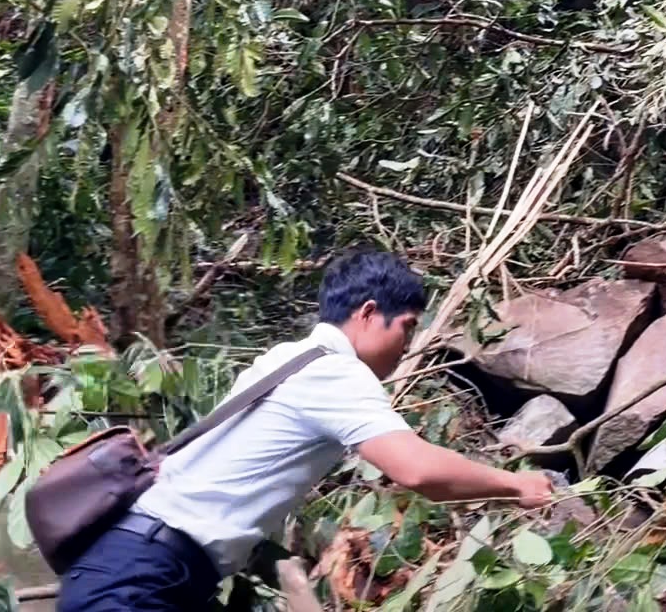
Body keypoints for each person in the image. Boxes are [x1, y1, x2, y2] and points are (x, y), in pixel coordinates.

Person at [57, 248, 553, 611]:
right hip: (141, 579)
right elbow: (418, 471)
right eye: (405, 327)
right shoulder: (336, 372)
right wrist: (515, 484)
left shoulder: (286, 359)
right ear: (367, 314)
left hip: (141, 568)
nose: (408, 345)